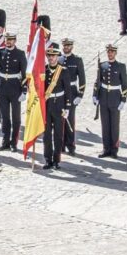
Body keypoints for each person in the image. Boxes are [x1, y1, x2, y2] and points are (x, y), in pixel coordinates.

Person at [41, 42, 77, 170]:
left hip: (59, 106)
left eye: (54, 56)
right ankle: (47, 159)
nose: (51, 58)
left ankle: (56, 160)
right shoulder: (43, 70)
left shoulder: (63, 71)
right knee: (46, 135)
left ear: (57, 57)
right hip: (47, 105)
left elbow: (68, 91)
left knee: (57, 135)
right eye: (49, 56)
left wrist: (67, 107)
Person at [93, 43, 127, 158]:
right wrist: (95, 95)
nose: (110, 54)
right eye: (108, 52)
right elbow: (97, 81)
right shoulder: (102, 65)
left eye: (112, 52)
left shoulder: (121, 66)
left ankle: (114, 149)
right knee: (105, 125)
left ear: (115, 53)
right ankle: (106, 148)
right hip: (104, 98)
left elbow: (125, 84)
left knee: (114, 125)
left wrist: (123, 100)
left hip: (115, 97)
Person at [0, 33, 27, 151]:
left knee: (16, 117)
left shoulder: (20, 54)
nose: (9, 42)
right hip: (2, 88)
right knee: (4, 116)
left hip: (15, 89)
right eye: (7, 39)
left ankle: (14, 142)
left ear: (15, 41)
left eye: (11, 40)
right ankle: (5, 141)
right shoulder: (0, 52)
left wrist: (24, 91)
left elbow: (24, 73)